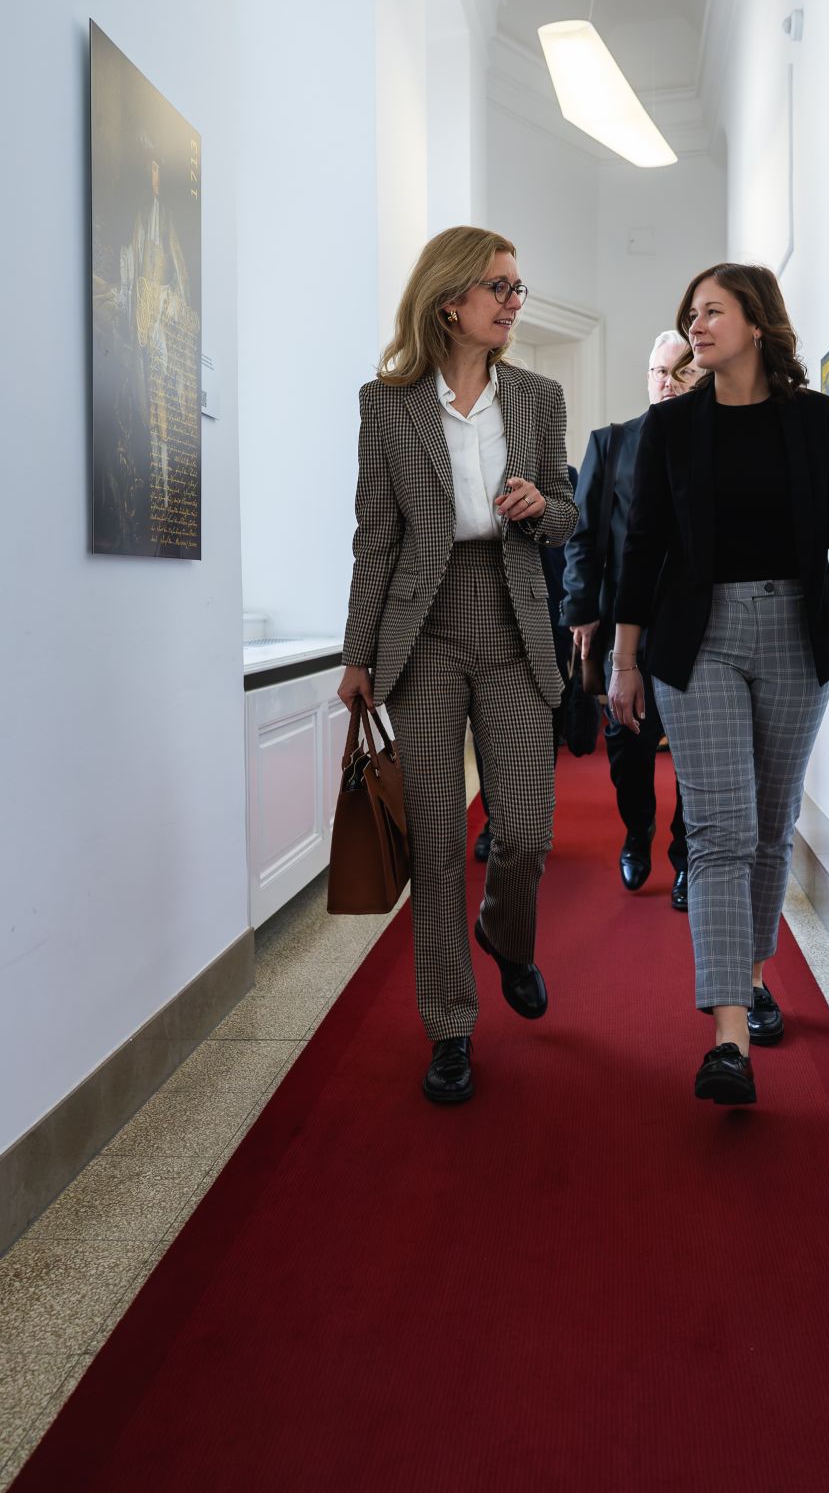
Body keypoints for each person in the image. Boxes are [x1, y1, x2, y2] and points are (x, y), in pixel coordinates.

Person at [609, 263, 829, 1106]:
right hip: (696, 641)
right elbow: (642, 552)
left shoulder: (812, 420)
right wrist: (624, 662)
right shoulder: (672, 428)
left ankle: (754, 972)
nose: (696, 326)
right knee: (720, 830)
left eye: (712, 311)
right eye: (689, 313)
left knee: (772, 826)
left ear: (757, 324)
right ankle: (728, 1036)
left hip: (792, 636)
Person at [338, 226, 578, 1106]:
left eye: (518, 288)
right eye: (500, 289)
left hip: (513, 623)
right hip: (423, 629)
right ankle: (449, 1026)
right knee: (437, 843)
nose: (516, 302)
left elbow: (566, 512)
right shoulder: (387, 403)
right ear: (451, 302)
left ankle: (507, 938)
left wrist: (538, 506)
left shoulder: (539, 396)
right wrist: (358, 651)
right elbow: (377, 535)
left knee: (527, 831)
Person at [562, 332, 698, 907]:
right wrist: (584, 610)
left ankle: (687, 855)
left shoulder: (710, 443)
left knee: (696, 749)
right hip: (625, 626)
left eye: (678, 372)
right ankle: (638, 829)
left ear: (698, 379)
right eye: (656, 372)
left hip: (695, 625)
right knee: (627, 748)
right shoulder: (611, 444)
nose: (665, 381)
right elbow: (582, 537)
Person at [474, 463, 578, 861]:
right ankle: (494, 819)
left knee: (543, 721)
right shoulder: (479, 470)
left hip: (549, 615)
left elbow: (576, 544)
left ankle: (531, 812)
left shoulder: (564, 476)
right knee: (487, 724)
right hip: (491, 614)